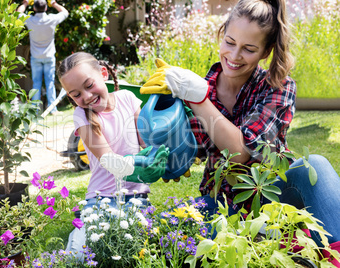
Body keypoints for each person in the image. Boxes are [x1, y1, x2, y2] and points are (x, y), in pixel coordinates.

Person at [140, 0, 340, 265]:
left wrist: (199, 101)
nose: (234, 56)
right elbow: (183, 154)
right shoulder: (195, 87)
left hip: (274, 197)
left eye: (248, 49)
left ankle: (329, 256)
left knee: (314, 165)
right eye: (230, 42)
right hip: (222, 203)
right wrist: (161, 152)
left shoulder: (277, 87)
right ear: (222, 34)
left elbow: (239, 153)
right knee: (164, 232)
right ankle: (283, 247)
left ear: (266, 52)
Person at [57, 52, 169, 260]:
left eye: (89, 85)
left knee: (137, 251)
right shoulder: (81, 115)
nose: (86, 96)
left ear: (103, 74)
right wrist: (143, 165)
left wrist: (160, 156)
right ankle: (79, 233)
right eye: (76, 94)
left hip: (136, 198)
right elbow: (108, 159)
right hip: (102, 199)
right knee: (85, 256)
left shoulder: (128, 98)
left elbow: (145, 143)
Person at [16, 0, 68, 115]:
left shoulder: (30, 20)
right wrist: (53, 3)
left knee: (36, 83)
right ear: (46, 8)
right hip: (49, 56)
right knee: (50, 83)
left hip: (35, 57)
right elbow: (65, 12)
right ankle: (52, 109)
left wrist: (25, 3)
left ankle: (35, 110)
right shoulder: (51, 19)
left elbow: (18, 13)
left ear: (34, 8)